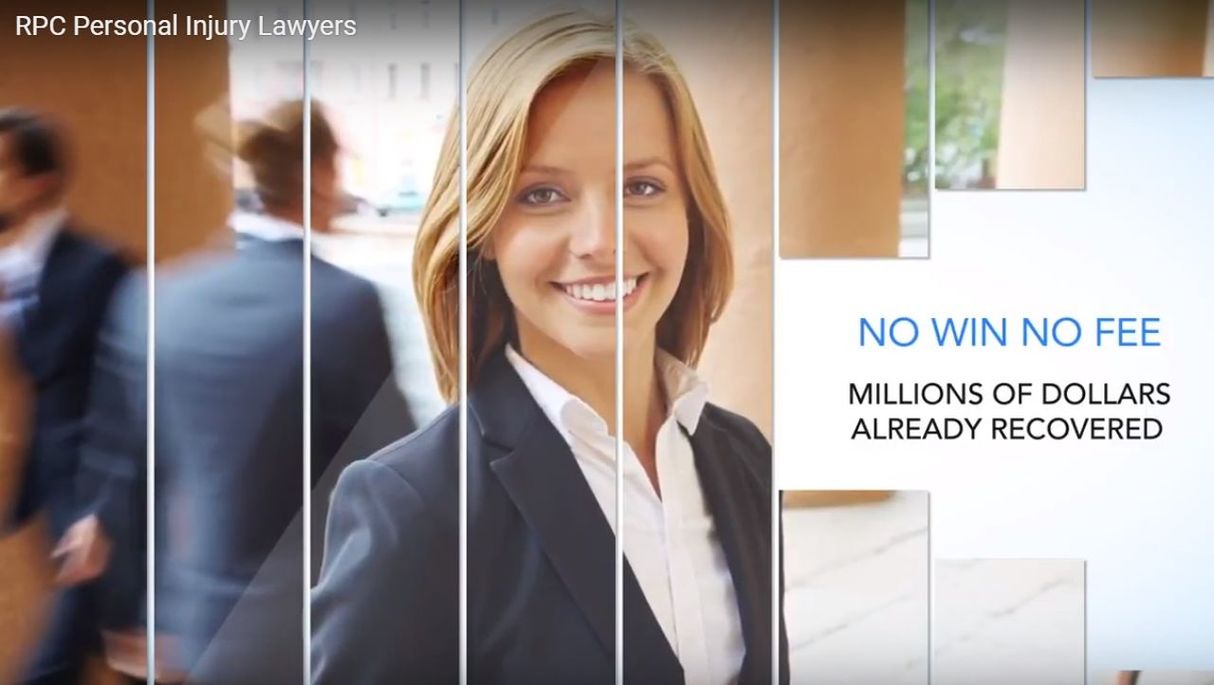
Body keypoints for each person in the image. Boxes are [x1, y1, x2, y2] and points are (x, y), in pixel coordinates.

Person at [312, 11, 788, 684]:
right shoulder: (413, 507)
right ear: (482, 229)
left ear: (691, 211)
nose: (602, 237)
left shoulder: (744, 460)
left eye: (641, 186)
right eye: (542, 194)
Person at [118, 99, 412, 682]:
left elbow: (139, 472)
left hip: (197, 623)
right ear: (322, 174)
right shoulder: (339, 304)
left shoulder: (157, 297)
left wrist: (149, 612)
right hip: (313, 627)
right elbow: (390, 472)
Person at [0, 108, 133, 683]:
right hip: (54, 486)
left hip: (99, 498)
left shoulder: (100, 268)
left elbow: (128, 394)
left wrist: (100, 509)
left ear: (39, 180)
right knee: (124, 646)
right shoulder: (11, 266)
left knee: (62, 655)